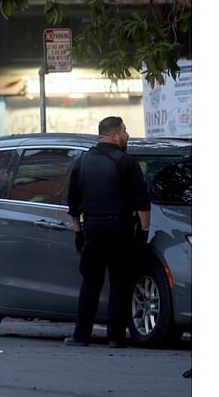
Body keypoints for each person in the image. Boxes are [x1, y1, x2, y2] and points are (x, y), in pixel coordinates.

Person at [64, 116, 151, 348]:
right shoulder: (125, 162)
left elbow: (72, 202)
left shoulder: (81, 162)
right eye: (124, 131)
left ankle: (81, 335)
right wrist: (143, 232)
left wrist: (77, 230)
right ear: (114, 135)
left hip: (92, 228)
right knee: (120, 283)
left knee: (90, 282)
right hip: (120, 229)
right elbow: (142, 202)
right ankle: (115, 337)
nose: (127, 134)